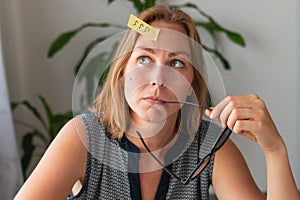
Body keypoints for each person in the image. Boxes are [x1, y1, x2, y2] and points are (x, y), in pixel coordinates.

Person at [14, 5, 299, 200]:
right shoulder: (84, 136)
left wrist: (275, 149)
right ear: (122, 72)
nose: (158, 78)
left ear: (191, 85)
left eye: (176, 63)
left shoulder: (211, 148)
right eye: (144, 59)